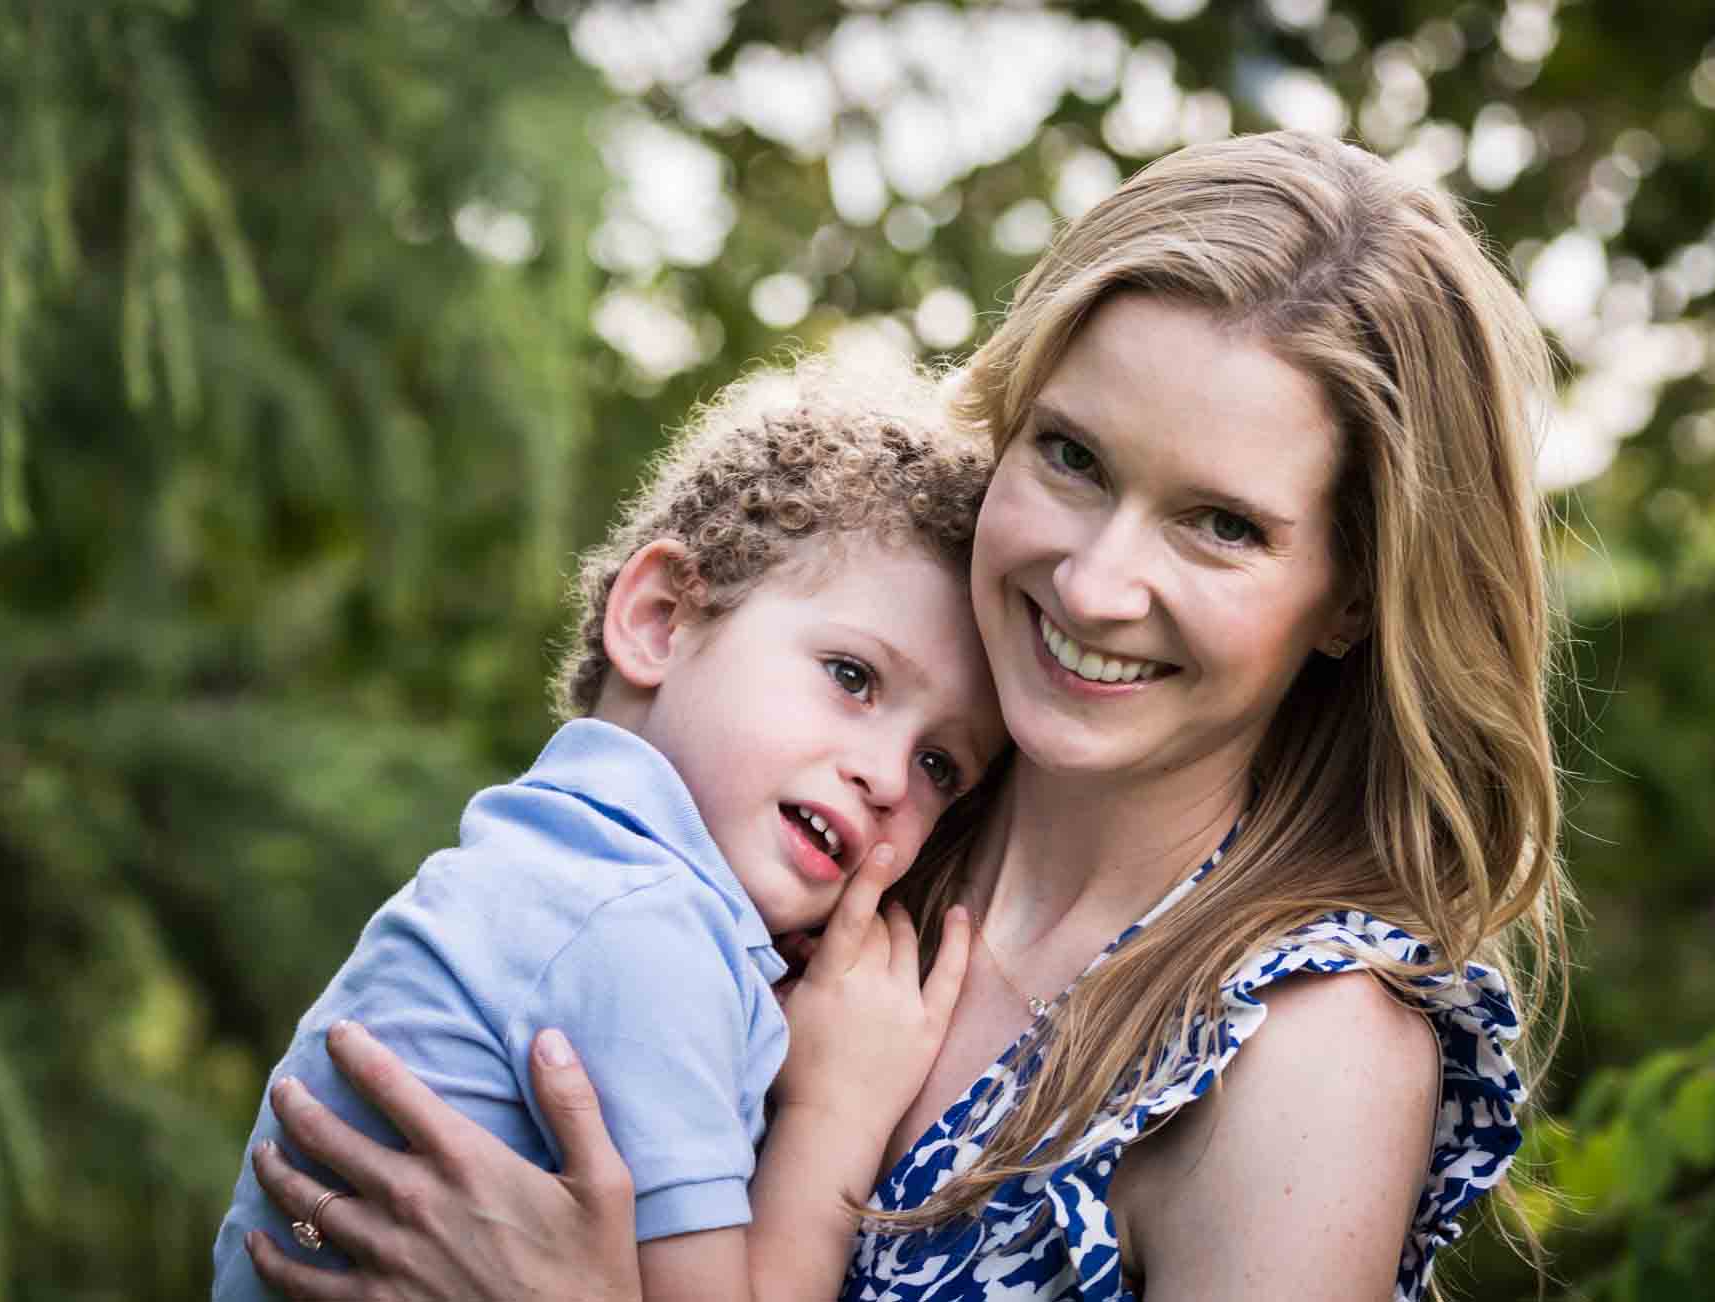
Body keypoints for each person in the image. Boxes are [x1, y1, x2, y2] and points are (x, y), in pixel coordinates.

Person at [245, 129, 1572, 1302]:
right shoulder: (827, 836)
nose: (1098, 582)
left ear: (1350, 597)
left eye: (1221, 525)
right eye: (1070, 455)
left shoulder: (1304, 1046)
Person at [212, 353, 1009, 1302]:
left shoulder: (552, 865)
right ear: (662, 619)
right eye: (851, 677)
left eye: (938, 767)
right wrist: (835, 1112)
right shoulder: (639, 924)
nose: (885, 777)